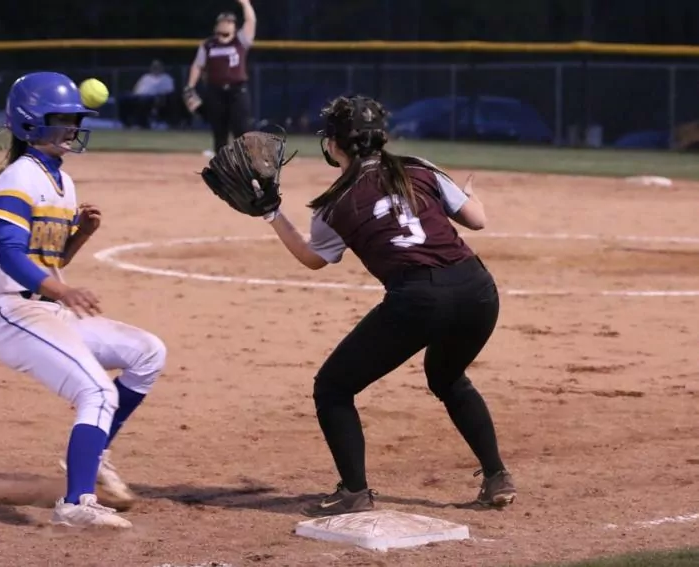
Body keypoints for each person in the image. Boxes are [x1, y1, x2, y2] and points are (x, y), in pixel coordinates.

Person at [260, 95, 516, 517]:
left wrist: (272, 213)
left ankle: (354, 492)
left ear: (334, 145)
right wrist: (472, 195)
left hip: (418, 298)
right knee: (447, 377)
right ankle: (497, 476)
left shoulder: (334, 204)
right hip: (478, 290)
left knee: (333, 388)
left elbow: (312, 258)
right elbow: (477, 220)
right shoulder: (418, 167)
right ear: (382, 137)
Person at [0, 71, 167, 528]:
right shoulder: (18, 178)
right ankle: (76, 503)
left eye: (74, 120)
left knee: (148, 352)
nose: (71, 128)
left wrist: (81, 235)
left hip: (46, 310)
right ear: (30, 122)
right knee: (97, 390)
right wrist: (62, 290)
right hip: (14, 313)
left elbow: (49, 258)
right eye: (60, 119)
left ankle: (94, 455)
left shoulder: (60, 179)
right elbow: (10, 256)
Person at [186, 0, 256, 153]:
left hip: (237, 90)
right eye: (223, 22)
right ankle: (222, 164)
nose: (225, 24)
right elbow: (198, 65)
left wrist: (245, 4)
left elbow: (250, 22)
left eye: (229, 22)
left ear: (234, 26)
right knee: (219, 132)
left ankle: (244, 163)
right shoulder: (208, 44)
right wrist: (190, 87)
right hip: (215, 90)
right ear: (216, 26)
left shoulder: (240, 41)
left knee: (241, 129)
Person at [124, 60, 176, 129]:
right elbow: (137, 88)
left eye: (157, 67)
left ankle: (141, 123)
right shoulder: (145, 77)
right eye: (154, 67)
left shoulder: (166, 78)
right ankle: (126, 123)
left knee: (143, 101)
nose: (155, 68)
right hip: (139, 96)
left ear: (162, 68)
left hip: (154, 97)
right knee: (124, 99)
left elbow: (169, 91)